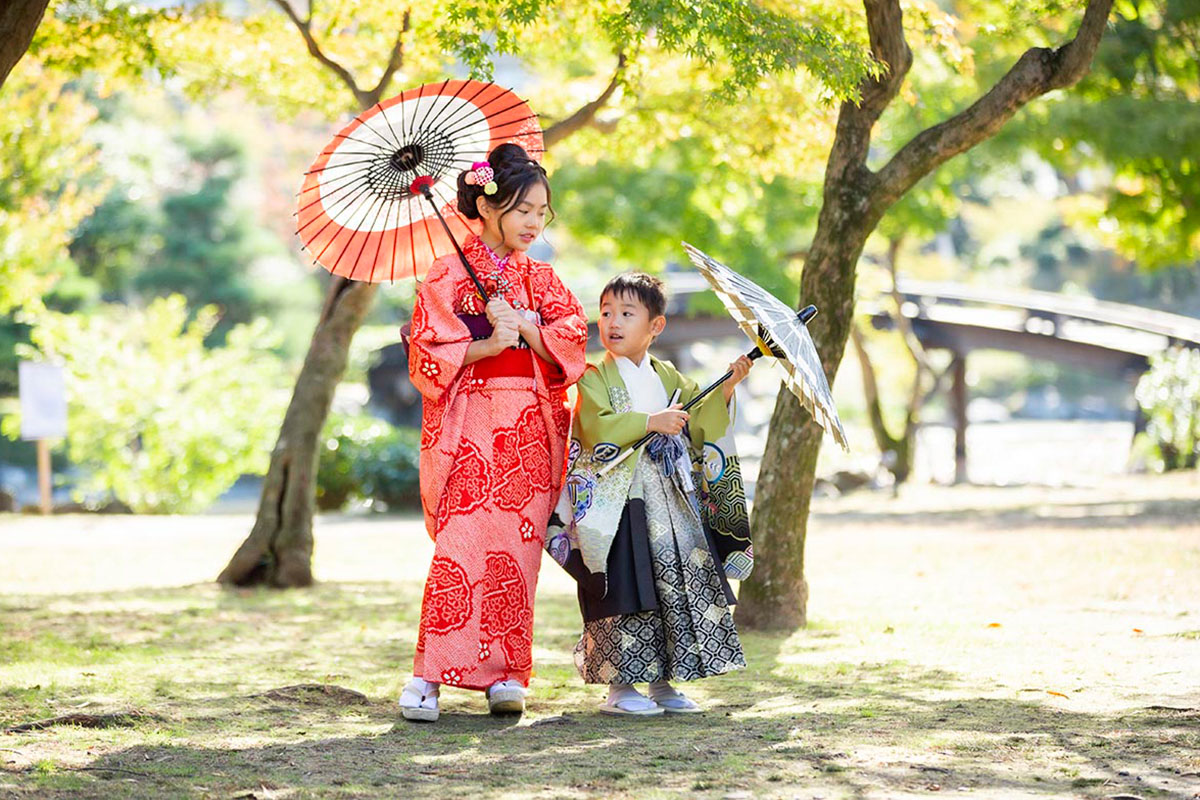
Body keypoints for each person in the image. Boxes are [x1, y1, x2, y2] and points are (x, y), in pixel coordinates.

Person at [399, 144, 589, 722]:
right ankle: (429, 677)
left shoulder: (540, 278)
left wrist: (529, 329)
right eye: (522, 209)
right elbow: (424, 351)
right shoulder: (447, 272)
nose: (534, 222)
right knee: (460, 549)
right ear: (486, 205)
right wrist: (486, 343)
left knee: (516, 555)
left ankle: (506, 673)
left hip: (529, 429)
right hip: (471, 422)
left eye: (541, 212)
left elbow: (573, 335)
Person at [546, 272, 753, 716]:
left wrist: (728, 387)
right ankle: (619, 687)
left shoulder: (668, 375)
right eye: (605, 313)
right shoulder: (593, 376)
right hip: (617, 503)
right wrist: (647, 422)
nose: (612, 322)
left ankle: (662, 681)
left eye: (626, 313)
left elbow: (699, 415)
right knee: (624, 583)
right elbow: (595, 425)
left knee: (671, 584)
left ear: (655, 326)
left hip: (670, 500)